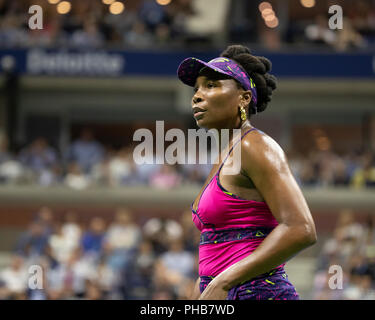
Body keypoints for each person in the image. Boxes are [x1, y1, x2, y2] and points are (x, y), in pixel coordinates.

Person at [176, 44, 317, 300]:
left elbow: (301, 228)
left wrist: (224, 282)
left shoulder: (255, 146)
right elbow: (220, 245)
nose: (197, 95)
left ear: (243, 97)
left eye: (211, 85)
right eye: (197, 88)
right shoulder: (224, 156)